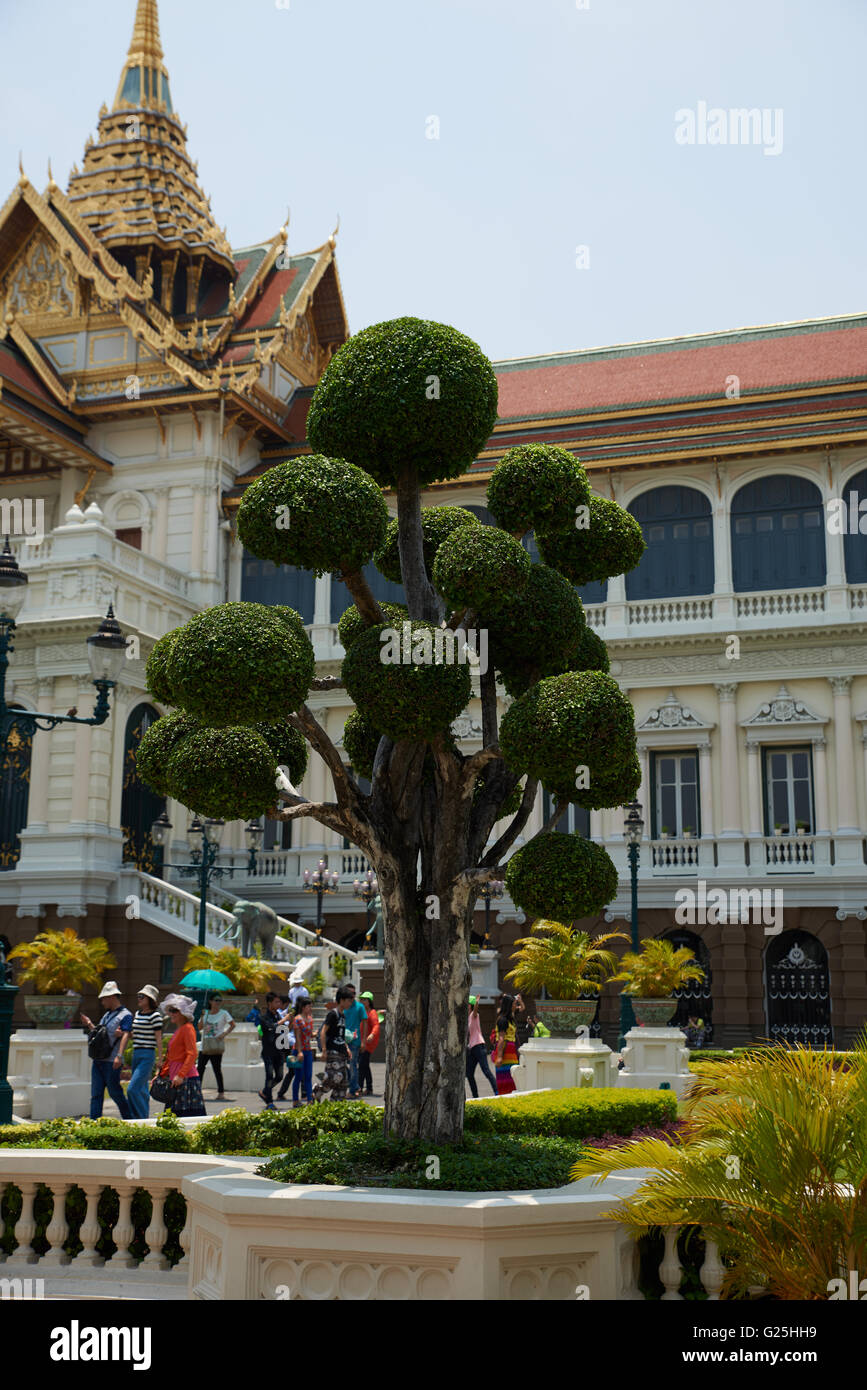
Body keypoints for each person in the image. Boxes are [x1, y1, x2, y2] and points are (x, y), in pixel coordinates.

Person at [81, 981, 133, 1120]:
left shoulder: (125, 1015)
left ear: (111, 997)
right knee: (96, 1094)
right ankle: (94, 1123)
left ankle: (130, 1119)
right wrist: (90, 1024)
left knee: (115, 1092)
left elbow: (126, 1035)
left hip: (111, 1061)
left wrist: (119, 1056)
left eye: (104, 998)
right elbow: (100, 1035)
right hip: (99, 1060)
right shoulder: (106, 1015)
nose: (102, 1002)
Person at [157, 995, 206, 1116]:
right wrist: (161, 1074)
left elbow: (192, 1054)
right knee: (172, 1117)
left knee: (187, 1118)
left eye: (175, 1010)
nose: (171, 1013)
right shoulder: (180, 1030)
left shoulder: (188, 1029)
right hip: (177, 1078)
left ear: (183, 1013)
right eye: (170, 1010)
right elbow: (171, 1057)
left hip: (186, 1079)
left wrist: (181, 1075)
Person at [126, 985, 163, 1120]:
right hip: (137, 1052)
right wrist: (126, 1034)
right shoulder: (137, 1014)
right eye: (138, 996)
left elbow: (159, 1038)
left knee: (132, 1089)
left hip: (147, 1054)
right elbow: (135, 1033)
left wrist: (160, 1059)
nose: (139, 999)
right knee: (141, 1089)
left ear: (150, 999)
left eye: (142, 996)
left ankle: (140, 1118)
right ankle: (139, 1117)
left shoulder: (155, 1016)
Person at [313, 986, 352, 1102]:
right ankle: (318, 1089)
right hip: (332, 1050)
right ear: (342, 1000)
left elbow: (341, 1035)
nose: (350, 1003)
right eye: (349, 1000)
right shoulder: (332, 1014)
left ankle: (334, 1105)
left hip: (341, 1051)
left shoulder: (343, 1016)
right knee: (337, 1076)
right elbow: (323, 1032)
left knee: (343, 1082)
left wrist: (347, 1048)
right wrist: (324, 1050)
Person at [198, 992, 235, 1100]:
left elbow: (233, 1024)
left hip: (216, 1045)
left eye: (220, 1000)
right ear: (210, 1001)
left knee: (217, 1069)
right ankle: (198, 1091)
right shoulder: (206, 1013)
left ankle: (221, 1093)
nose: (218, 1002)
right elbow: (199, 1028)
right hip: (205, 1045)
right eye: (216, 1000)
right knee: (200, 1069)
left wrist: (224, 1034)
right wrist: (202, 1016)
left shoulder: (224, 1013)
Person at [257, 992, 286, 1110]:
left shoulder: (278, 1016)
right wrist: (283, 1021)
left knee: (279, 1076)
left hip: (278, 1051)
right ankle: (269, 1101)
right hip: (268, 1051)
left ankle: (264, 1091)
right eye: (276, 1002)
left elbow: (282, 1032)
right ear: (270, 1003)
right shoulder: (263, 1017)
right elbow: (271, 1028)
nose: (279, 1004)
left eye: (279, 1002)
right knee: (269, 1076)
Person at [466, 995, 498, 1098]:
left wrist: (477, 1003)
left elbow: (475, 1011)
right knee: (469, 1074)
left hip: (479, 1046)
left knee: (486, 1071)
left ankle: (497, 1092)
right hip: (472, 1049)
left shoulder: (473, 1016)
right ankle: (475, 1096)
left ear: (469, 1005)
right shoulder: (467, 1018)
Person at [286, 996, 315, 1106]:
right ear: (303, 1007)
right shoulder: (298, 1019)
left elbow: (309, 1034)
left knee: (308, 1076)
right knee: (298, 1076)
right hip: (298, 1051)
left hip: (308, 1050)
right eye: (309, 1006)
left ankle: (309, 1099)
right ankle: (295, 1100)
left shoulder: (310, 1019)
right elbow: (297, 1037)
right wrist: (299, 1051)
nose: (310, 1009)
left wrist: (315, 1034)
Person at [342, 984, 368, 1098]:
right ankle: (355, 1086)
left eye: (354, 993)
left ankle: (352, 1090)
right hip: (342, 1040)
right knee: (342, 1065)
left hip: (355, 1041)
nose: (352, 996)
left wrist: (363, 1041)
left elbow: (365, 1023)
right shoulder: (343, 1006)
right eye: (349, 993)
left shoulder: (359, 1007)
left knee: (353, 1065)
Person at [492, 993, 520, 1095]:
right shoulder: (503, 1020)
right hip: (505, 1051)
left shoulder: (510, 1019)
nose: (515, 1006)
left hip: (512, 1051)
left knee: (513, 1077)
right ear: (509, 1005)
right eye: (514, 1004)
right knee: (505, 1080)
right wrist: (499, 1057)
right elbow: (501, 1038)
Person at [357, 991, 380, 1096]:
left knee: (362, 1065)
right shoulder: (362, 1011)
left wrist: (372, 1035)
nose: (362, 1001)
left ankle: (360, 1087)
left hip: (368, 1044)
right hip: (362, 1042)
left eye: (364, 999)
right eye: (361, 999)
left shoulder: (372, 1013)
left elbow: (376, 1025)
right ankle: (369, 1088)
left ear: (369, 1001)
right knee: (364, 1066)